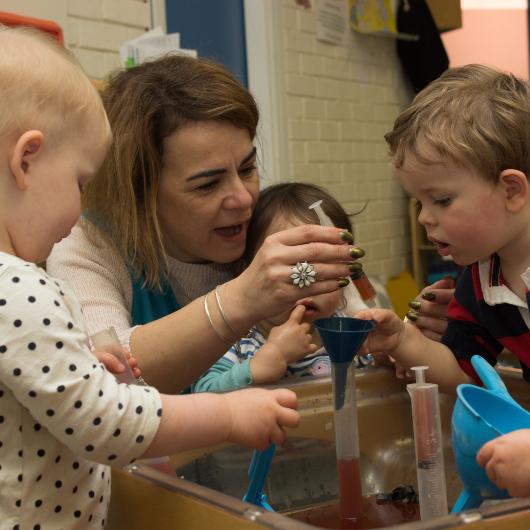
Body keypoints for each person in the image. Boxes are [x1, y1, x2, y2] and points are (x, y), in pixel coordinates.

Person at [0, 26, 303, 529]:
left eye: (248, 168)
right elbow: (104, 421)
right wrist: (228, 416)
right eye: (80, 182)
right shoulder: (24, 283)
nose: (244, 199)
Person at [47, 53, 452, 394]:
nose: (243, 198)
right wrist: (243, 299)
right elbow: (110, 378)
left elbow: (360, 331)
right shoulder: (86, 246)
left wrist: (405, 344)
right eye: (207, 184)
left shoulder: (269, 224)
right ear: (139, 192)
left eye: (247, 167)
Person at [354, 64, 530, 495]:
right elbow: (463, 373)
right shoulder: (479, 282)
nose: (424, 218)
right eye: (418, 201)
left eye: (442, 199)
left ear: (512, 190)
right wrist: (402, 340)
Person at [194, 183, 355, 392]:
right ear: (251, 273)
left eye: (326, 267)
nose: (308, 281)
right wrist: (269, 359)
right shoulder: (240, 341)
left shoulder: (348, 331)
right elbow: (202, 393)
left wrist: (389, 353)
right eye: (291, 266)